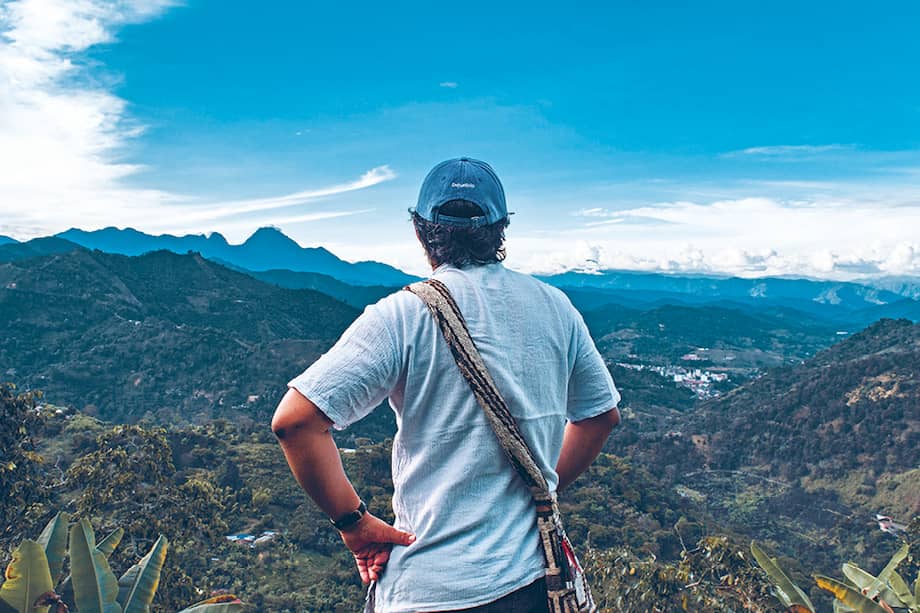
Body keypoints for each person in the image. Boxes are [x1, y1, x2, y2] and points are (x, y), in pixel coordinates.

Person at [272, 157, 621, 613]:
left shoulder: (402, 316)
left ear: (420, 232)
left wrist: (353, 522)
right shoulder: (557, 308)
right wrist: (541, 487)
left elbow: (295, 422)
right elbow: (601, 416)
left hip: (430, 589)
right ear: (500, 230)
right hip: (532, 583)